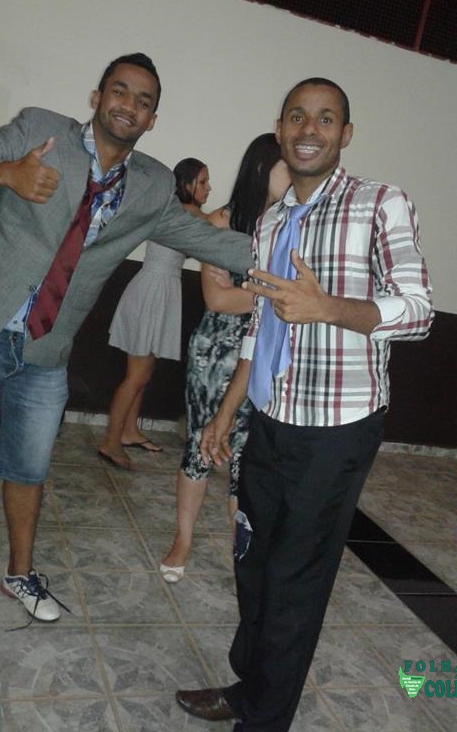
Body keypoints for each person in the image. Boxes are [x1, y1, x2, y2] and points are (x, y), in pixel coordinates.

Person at [0, 52, 253, 636]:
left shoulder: (151, 185)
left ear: (152, 119)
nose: (129, 105)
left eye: (143, 101)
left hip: (45, 350)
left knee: (28, 470)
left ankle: (20, 574)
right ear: (97, 98)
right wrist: (6, 173)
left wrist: (293, 259)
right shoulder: (41, 131)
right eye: (119, 91)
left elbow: (208, 240)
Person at [175, 78, 433, 731]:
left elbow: (419, 312)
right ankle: (250, 687)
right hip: (269, 418)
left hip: (336, 430)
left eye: (325, 118)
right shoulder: (270, 222)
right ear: (281, 128)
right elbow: (262, 323)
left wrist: (329, 309)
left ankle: (263, 718)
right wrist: (228, 410)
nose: (309, 129)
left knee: (295, 578)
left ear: (345, 133)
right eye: (297, 116)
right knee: (252, 560)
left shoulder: (380, 204)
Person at [160, 135, 290, 583]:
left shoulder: (290, 226)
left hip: (265, 356)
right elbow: (217, 299)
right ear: (262, 168)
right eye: (285, 165)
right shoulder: (221, 222)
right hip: (216, 355)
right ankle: (183, 539)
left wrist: (256, 293)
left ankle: (243, 547)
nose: (294, 174)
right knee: (201, 444)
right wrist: (275, 294)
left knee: (247, 458)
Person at [99, 158, 211, 470]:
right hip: (154, 290)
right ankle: (110, 441)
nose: (208, 188)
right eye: (203, 182)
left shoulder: (177, 210)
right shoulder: (185, 210)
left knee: (143, 373)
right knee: (136, 375)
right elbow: (218, 224)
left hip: (158, 287)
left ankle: (129, 431)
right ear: (186, 183)